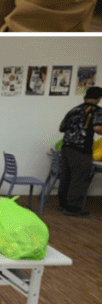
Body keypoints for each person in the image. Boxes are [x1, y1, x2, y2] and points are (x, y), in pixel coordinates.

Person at [57, 85, 102, 216]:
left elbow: (62, 127)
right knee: (79, 179)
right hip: (81, 150)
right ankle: (73, 208)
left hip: (66, 148)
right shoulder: (96, 110)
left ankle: (63, 204)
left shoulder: (74, 110)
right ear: (98, 98)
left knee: (66, 177)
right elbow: (98, 128)